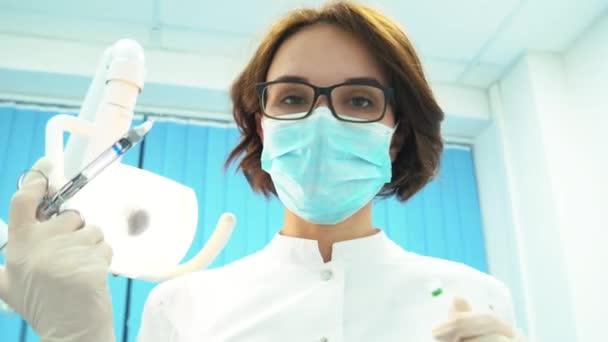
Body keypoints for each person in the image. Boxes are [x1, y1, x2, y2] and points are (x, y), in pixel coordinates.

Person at [0, 1, 523, 341]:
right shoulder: (182, 308)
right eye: (293, 97)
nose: (321, 121)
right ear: (262, 124)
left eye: (359, 101)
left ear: (398, 134)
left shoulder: (476, 298)